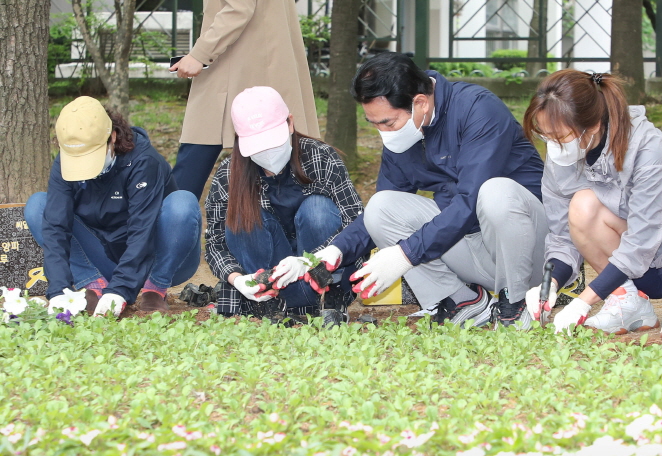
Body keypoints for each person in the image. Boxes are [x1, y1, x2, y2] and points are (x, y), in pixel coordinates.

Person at [278, 52, 548, 329]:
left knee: (494, 192)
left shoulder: (477, 109)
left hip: (529, 251)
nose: (384, 133)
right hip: (472, 249)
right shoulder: (404, 133)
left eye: (388, 123)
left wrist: (405, 254)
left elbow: (469, 202)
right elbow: (381, 212)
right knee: (381, 207)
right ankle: (460, 301)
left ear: (420, 102)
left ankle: (516, 303)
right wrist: (335, 251)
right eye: (375, 124)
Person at [522, 70, 662, 335]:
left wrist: (584, 301)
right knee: (581, 205)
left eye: (560, 136)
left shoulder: (647, 145)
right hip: (640, 274)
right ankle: (626, 301)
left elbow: (643, 238)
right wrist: (550, 282)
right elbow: (563, 236)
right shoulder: (560, 157)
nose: (553, 146)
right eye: (545, 136)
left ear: (594, 126)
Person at [25, 97, 202, 317]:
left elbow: (142, 230)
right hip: (105, 257)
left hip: (159, 257)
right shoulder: (64, 161)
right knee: (37, 205)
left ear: (112, 137)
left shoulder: (144, 162)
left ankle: (154, 288)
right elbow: (55, 225)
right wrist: (59, 289)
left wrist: (120, 289)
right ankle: (94, 284)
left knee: (182, 202)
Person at [205, 87, 363, 319]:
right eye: (257, 144)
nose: (267, 151)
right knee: (239, 216)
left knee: (317, 209)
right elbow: (215, 243)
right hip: (269, 290)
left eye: (272, 140)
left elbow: (356, 222)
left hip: (320, 277)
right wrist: (237, 279)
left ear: (290, 123)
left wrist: (310, 261)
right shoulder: (229, 174)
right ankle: (271, 303)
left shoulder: (322, 158)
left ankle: (324, 301)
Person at [170, 0, 320, 201]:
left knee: (193, 162)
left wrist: (200, 54)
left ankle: (169, 228)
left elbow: (239, 8)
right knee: (281, 160)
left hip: (235, 63)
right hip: (264, 61)